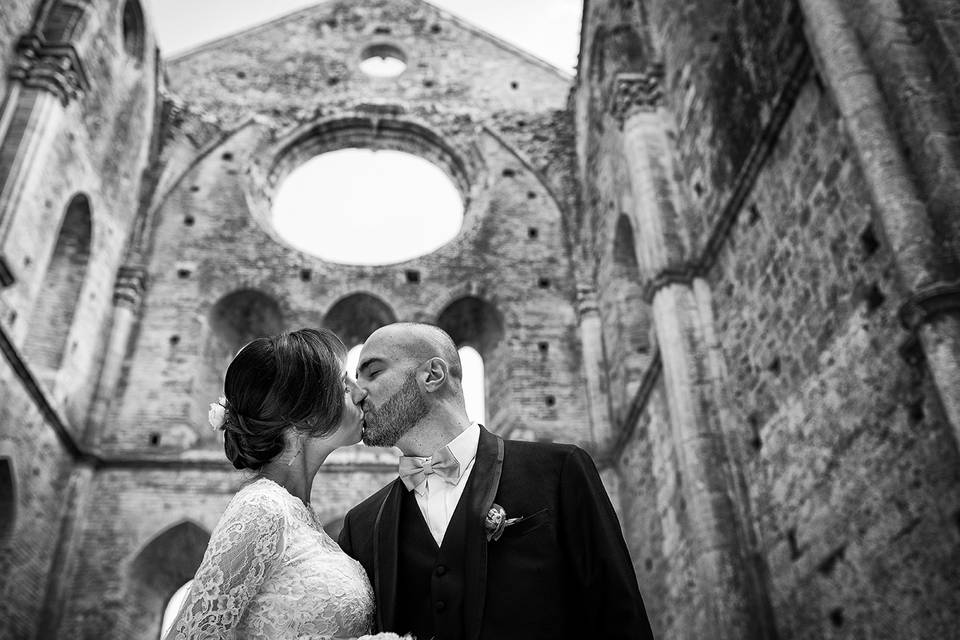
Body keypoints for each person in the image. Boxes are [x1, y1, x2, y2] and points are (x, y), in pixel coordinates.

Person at [338, 322, 655, 640]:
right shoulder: (360, 526)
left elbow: (620, 619)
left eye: (373, 372)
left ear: (432, 375)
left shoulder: (560, 472)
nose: (357, 393)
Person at [163, 328, 404, 640]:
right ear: (303, 416)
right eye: (344, 387)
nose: (360, 393)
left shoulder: (301, 515)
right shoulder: (262, 508)